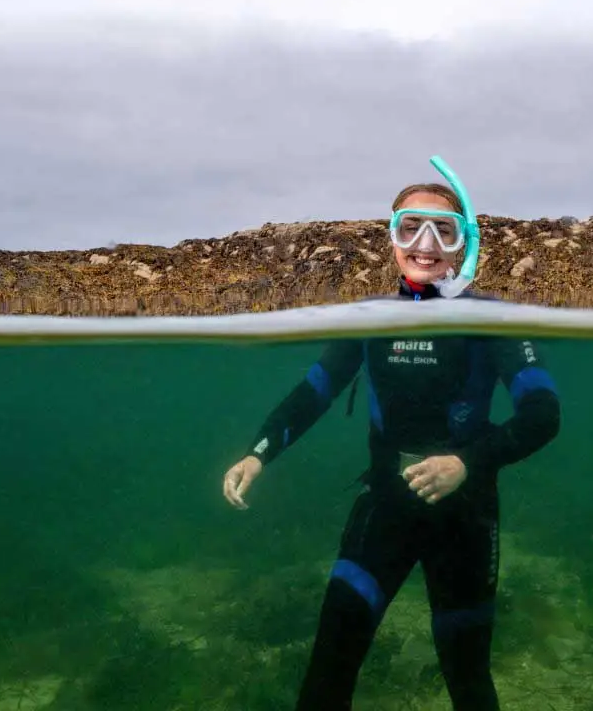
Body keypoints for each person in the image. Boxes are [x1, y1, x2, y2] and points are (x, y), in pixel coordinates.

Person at [221, 157, 562, 710]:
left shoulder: (493, 321)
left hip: (466, 518)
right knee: (329, 667)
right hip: (386, 506)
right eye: (411, 226)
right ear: (391, 238)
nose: (425, 242)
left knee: (467, 677)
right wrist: (260, 452)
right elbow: (316, 390)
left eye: (442, 229)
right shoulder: (370, 318)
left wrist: (467, 463)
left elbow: (543, 413)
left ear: (463, 243)